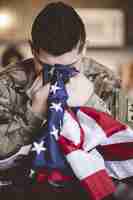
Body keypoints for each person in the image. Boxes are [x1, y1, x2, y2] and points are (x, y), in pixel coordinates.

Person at [0, 2, 132, 200]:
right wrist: (33, 114)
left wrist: (91, 102)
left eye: (68, 66)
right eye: (45, 66)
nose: (56, 76)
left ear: (84, 48)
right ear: (32, 49)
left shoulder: (107, 81)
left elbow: (127, 149)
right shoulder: (7, 83)